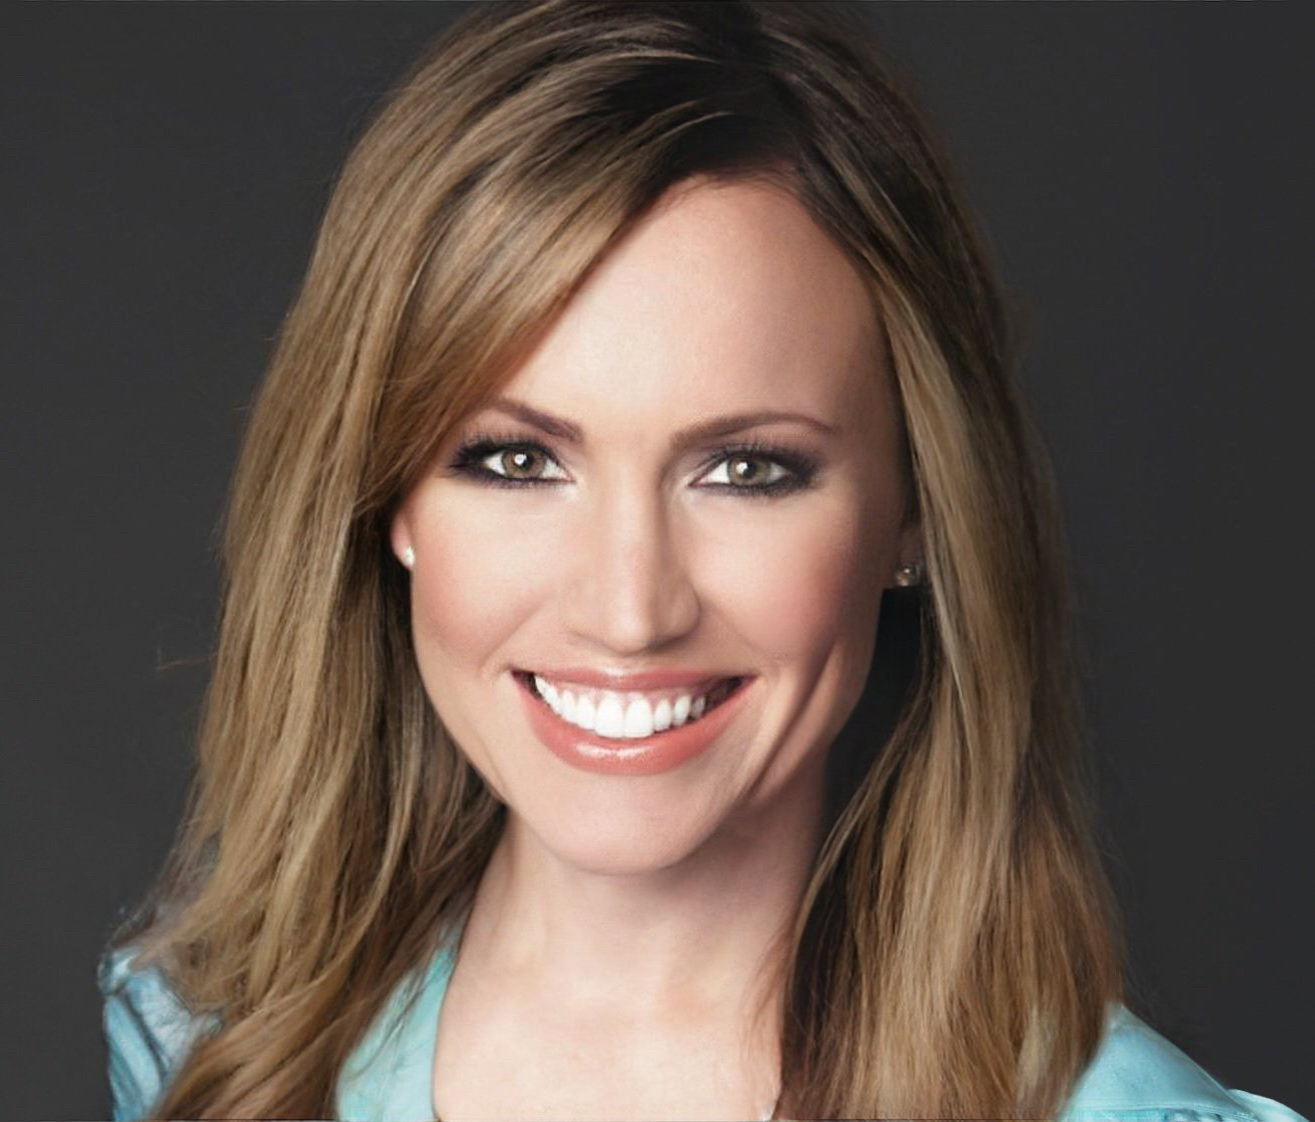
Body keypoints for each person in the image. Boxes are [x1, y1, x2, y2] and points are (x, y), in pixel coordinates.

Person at [98, 3, 1306, 1120]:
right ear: (389, 500)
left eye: (745, 470)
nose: (629, 611)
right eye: (516, 462)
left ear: (916, 515)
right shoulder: (205, 1043)